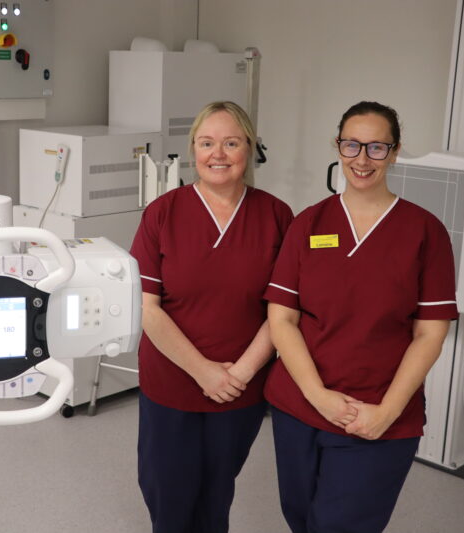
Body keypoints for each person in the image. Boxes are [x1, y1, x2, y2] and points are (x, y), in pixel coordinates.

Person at [264, 101, 458, 533]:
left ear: (394, 152)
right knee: (300, 517)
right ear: (338, 146)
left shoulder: (425, 232)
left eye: (376, 147)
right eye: (352, 145)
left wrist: (386, 412)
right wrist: (317, 395)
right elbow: (283, 320)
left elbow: (429, 334)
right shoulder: (309, 224)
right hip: (300, 406)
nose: (362, 159)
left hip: (378, 414)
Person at [130, 101, 294, 533]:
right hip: (172, 380)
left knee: (216, 490)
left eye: (231, 142)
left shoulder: (277, 217)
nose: (217, 154)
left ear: (249, 149)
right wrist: (204, 371)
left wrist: (238, 374)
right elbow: (148, 308)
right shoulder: (162, 214)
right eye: (206, 143)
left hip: (241, 385)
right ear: (193, 150)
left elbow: (283, 311)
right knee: (167, 492)